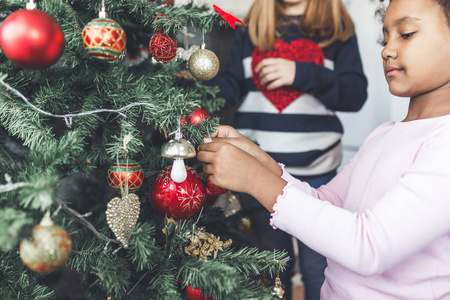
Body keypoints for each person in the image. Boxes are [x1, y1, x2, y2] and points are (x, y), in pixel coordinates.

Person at [198, 0, 450, 298]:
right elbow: (324, 203)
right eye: (385, 38)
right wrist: (259, 160)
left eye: (406, 33)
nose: (387, 50)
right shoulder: (383, 135)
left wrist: (255, 178)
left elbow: (368, 247)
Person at [206, 0, 367, 299]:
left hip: (319, 176)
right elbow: (229, 85)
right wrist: (197, 89)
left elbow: (355, 94)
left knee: (319, 267)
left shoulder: (338, 30)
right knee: (272, 265)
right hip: (257, 171)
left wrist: (301, 73)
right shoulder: (251, 29)